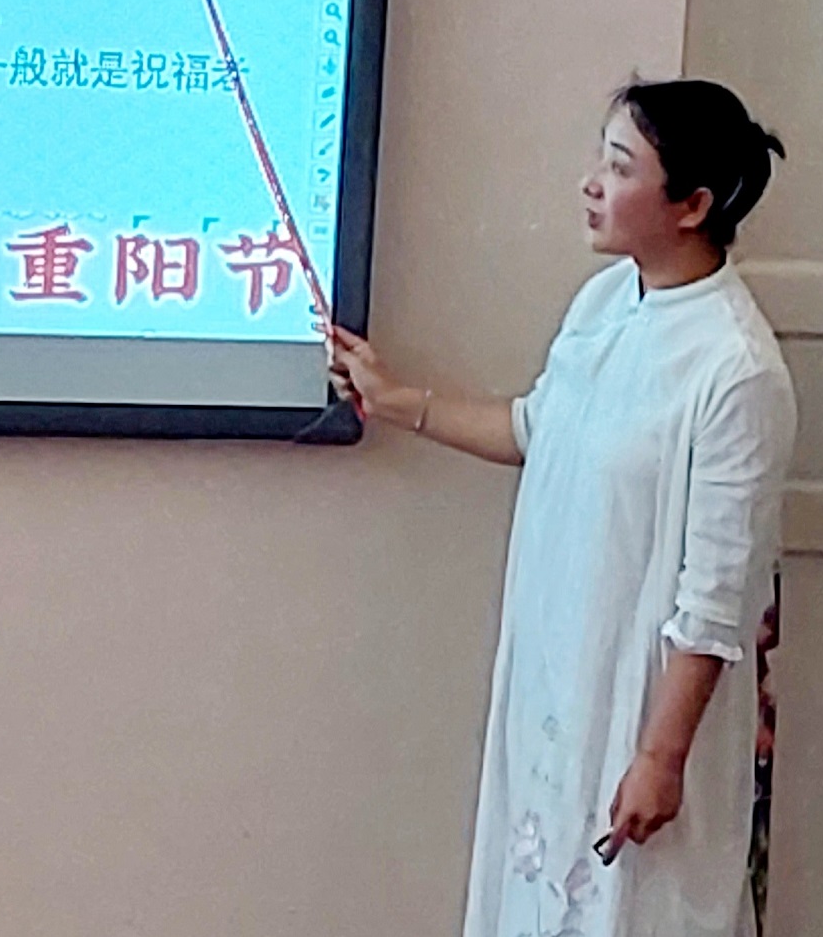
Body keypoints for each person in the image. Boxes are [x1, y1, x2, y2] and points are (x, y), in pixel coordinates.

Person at [332, 80, 796, 937]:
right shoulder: (607, 302)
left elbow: (717, 602)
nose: (591, 183)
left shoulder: (737, 371)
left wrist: (660, 758)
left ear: (692, 205)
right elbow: (536, 429)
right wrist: (398, 401)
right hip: (559, 680)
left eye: (619, 168)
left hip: (640, 710)